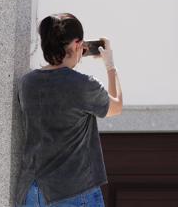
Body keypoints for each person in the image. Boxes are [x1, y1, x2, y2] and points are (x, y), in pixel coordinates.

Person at [15, 13, 123, 207]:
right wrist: (110, 65)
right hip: (73, 190)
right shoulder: (82, 85)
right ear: (76, 45)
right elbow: (116, 107)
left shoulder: (26, 83)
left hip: (32, 192)